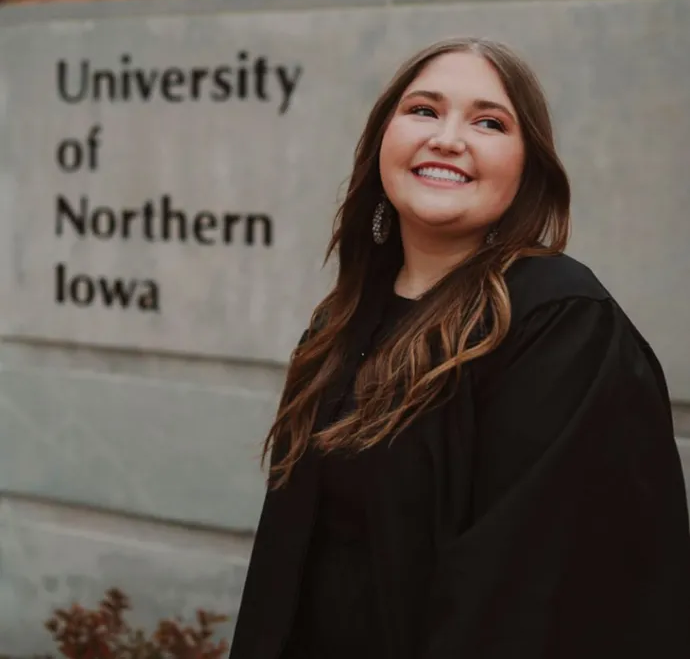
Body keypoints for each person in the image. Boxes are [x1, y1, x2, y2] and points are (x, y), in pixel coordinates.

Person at [228, 38, 690, 659]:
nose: (447, 138)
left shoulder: (559, 324)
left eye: (489, 122)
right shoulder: (340, 324)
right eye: (423, 110)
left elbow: (532, 601)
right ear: (381, 139)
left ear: (526, 168)